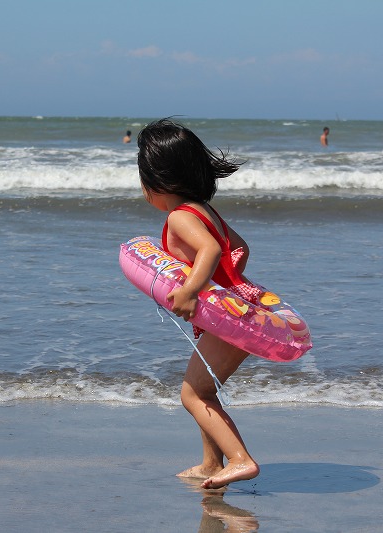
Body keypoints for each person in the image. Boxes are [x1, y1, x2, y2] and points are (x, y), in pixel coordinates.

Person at [137, 118, 260, 489]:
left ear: (157, 180)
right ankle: (211, 462)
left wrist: (192, 290)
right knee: (206, 390)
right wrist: (228, 284)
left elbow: (209, 249)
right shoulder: (204, 210)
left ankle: (240, 459)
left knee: (192, 394)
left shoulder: (179, 217)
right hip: (236, 313)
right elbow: (238, 247)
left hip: (229, 322)